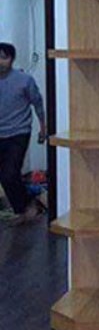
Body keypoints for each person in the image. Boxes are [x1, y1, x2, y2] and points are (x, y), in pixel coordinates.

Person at [0, 42, 47, 226]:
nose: (0, 61)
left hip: (18, 133)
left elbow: (38, 103)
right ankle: (28, 205)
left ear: (12, 59)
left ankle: (25, 207)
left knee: (9, 174)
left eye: (4, 57)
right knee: (6, 176)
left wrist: (43, 128)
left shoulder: (24, 80)